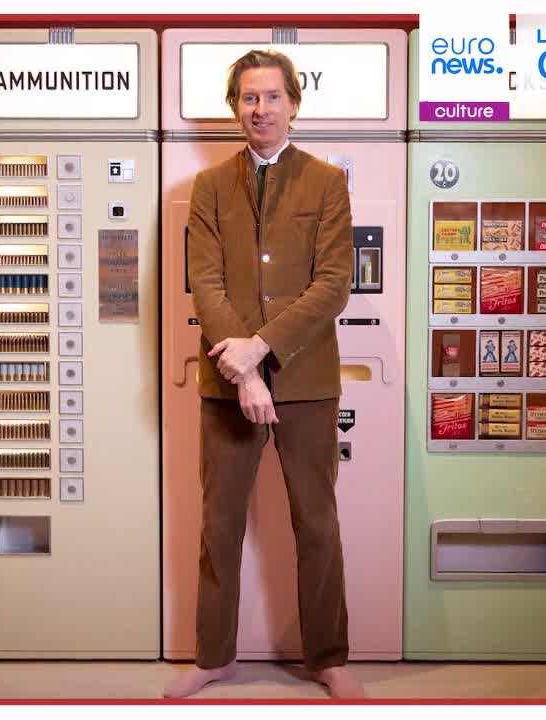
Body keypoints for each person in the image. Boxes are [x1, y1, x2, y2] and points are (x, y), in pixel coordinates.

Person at [162, 49, 363, 700]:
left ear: (294, 105)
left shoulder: (327, 182)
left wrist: (262, 349)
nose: (260, 109)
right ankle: (213, 656)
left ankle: (328, 658)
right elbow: (206, 283)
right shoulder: (210, 189)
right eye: (249, 98)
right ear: (235, 109)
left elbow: (334, 285)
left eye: (272, 97)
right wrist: (242, 368)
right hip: (227, 383)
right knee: (218, 522)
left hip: (308, 381)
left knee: (318, 522)